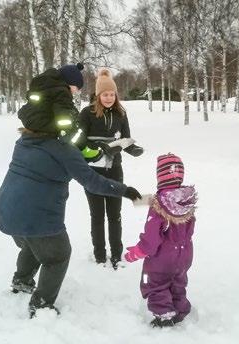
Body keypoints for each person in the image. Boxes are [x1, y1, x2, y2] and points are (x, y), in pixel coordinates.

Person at [0, 63, 142, 318]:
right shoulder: (62, 148)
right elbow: (92, 180)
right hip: (37, 216)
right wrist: (126, 191)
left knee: (33, 244)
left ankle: (21, 280)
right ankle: (41, 306)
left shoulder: (25, 140)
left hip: (7, 209)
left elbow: (72, 151)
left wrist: (87, 149)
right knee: (58, 255)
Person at [78, 68, 144, 269]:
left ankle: (116, 255)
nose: (108, 97)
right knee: (97, 216)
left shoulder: (121, 113)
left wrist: (133, 148)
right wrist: (96, 149)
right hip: (93, 172)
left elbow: (126, 138)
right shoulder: (86, 113)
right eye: (105, 94)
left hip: (115, 169)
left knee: (114, 215)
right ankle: (99, 255)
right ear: (98, 95)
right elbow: (78, 142)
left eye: (112, 94)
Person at [124, 153, 197, 328]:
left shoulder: (158, 206)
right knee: (177, 281)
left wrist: (136, 252)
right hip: (184, 255)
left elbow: (151, 240)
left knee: (155, 284)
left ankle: (164, 316)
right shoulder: (186, 201)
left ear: (160, 177)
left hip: (162, 259)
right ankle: (180, 309)